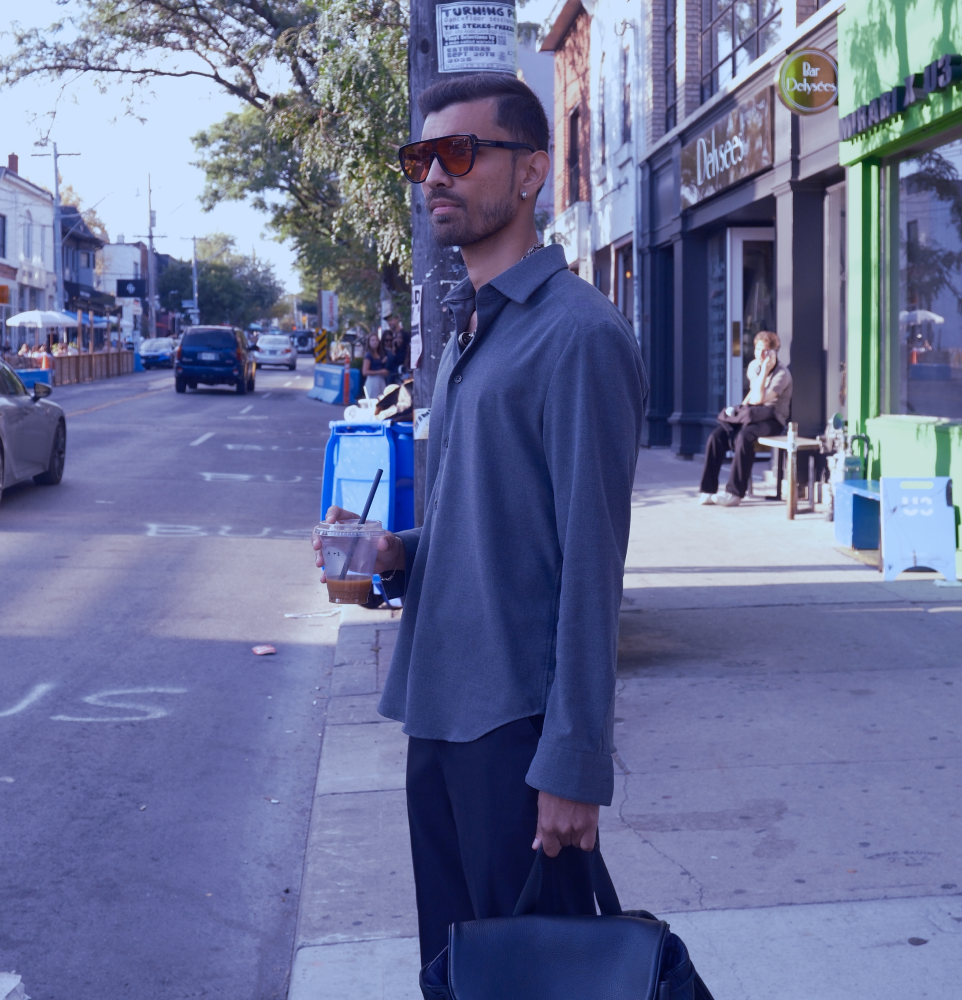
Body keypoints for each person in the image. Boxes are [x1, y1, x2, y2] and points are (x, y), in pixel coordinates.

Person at [311, 73, 646, 968]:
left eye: (460, 153)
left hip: (518, 734)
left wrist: (574, 764)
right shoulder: (469, 334)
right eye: (422, 158)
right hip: (440, 711)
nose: (434, 177)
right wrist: (395, 549)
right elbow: (492, 519)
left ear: (533, 170)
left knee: (536, 981)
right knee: (456, 973)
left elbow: (590, 561)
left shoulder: (577, 335)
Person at [699, 330, 793, 507]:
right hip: (752, 416)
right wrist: (738, 413)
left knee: (744, 438)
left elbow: (759, 399)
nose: (761, 355)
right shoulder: (752, 367)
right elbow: (752, 397)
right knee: (716, 437)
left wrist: (765, 370)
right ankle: (708, 490)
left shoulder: (782, 374)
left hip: (773, 419)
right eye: (758, 349)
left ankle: (734, 493)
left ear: (774, 352)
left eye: (766, 350)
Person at [362, 333, 389, 399]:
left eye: (376, 340)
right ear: (369, 342)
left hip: (380, 380)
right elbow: (365, 372)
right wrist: (379, 372)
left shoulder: (379, 354)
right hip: (372, 381)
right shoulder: (368, 355)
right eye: (372, 340)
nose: (375, 342)